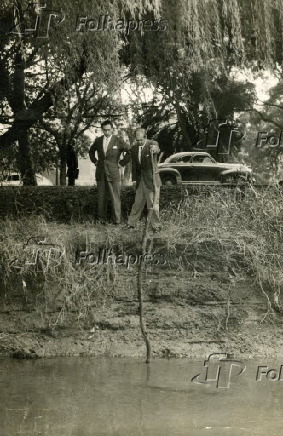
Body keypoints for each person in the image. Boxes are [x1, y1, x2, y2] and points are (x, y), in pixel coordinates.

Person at [89, 120, 130, 224]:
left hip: (114, 172)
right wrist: (95, 161)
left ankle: (117, 221)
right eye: (105, 130)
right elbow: (91, 151)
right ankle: (101, 220)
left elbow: (129, 152)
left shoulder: (118, 140)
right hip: (101, 172)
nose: (107, 132)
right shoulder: (98, 140)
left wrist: (121, 163)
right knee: (101, 197)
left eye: (109, 130)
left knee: (115, 197)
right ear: (102, 130)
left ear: (112, 129)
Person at [126, 128, 161, 230]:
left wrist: (154, 148)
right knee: (137, 203)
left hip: (151, 179)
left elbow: (156, 147)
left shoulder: (151, 143)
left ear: (145, 137)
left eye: (141, 140)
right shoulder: (134, 148)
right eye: (137, 140)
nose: (139, 142)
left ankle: (156, 226)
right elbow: (134, 165)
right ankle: (131, 224)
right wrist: (134, 179)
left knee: (153, 203)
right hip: (140, 180)